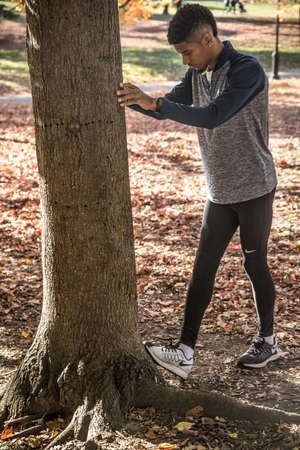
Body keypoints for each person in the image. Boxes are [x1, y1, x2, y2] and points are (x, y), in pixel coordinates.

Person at [117, 4, 279, 380]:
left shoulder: (247, 71)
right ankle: (185, 351)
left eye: (187, 52)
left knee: (254, 263)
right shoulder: (198, 74)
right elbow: (167, 108)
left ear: (208, 39)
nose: (186, 60)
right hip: (220, 191)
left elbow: (215, 114)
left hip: (254, 187)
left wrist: (157, 103)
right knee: (203, 267)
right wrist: (133, 100)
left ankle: (268, 340)